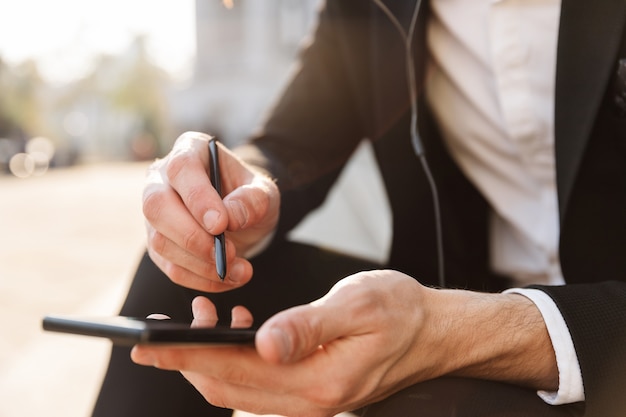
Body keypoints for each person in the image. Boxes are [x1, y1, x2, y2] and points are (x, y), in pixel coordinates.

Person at [93, 0, 626, 416]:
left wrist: (459, 334)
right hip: (457, 285)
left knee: (429, 407)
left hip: (601, 321)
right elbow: (289, 145)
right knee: (187, 275)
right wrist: (243, 193)